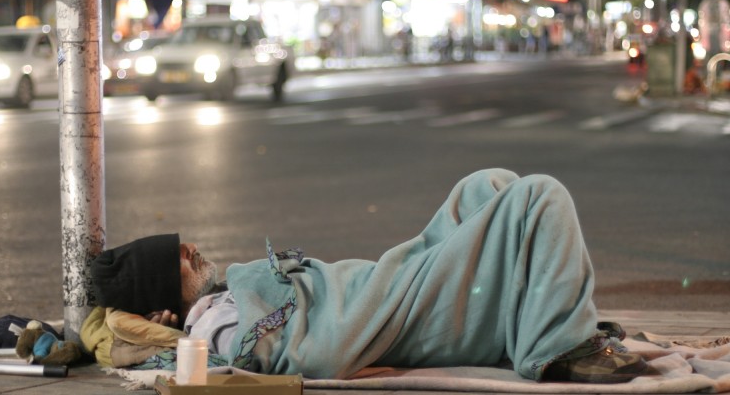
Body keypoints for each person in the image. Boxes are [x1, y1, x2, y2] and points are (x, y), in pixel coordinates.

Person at [87, 169, 648, 384]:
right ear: (165, 302)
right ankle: (559, 348)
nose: (193, 250)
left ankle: (531, 317)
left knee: (488, 184)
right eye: (180, 260)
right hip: (400, 312)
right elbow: (300, 354)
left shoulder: (224, 299)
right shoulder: (213, 325)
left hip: (392, 281)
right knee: (540, 197)